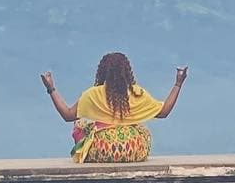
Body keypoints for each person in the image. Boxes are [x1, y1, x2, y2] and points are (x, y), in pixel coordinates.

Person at [40, 52, 188, 164]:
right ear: (127, 72)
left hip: (102, 150)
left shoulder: (92, 94)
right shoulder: (137, 93)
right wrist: (178, 83)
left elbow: (67, 115)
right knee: (141, 128)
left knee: (80, 124)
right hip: (132, 149)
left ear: (103, 72)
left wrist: (51, 89)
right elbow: (164, 112)